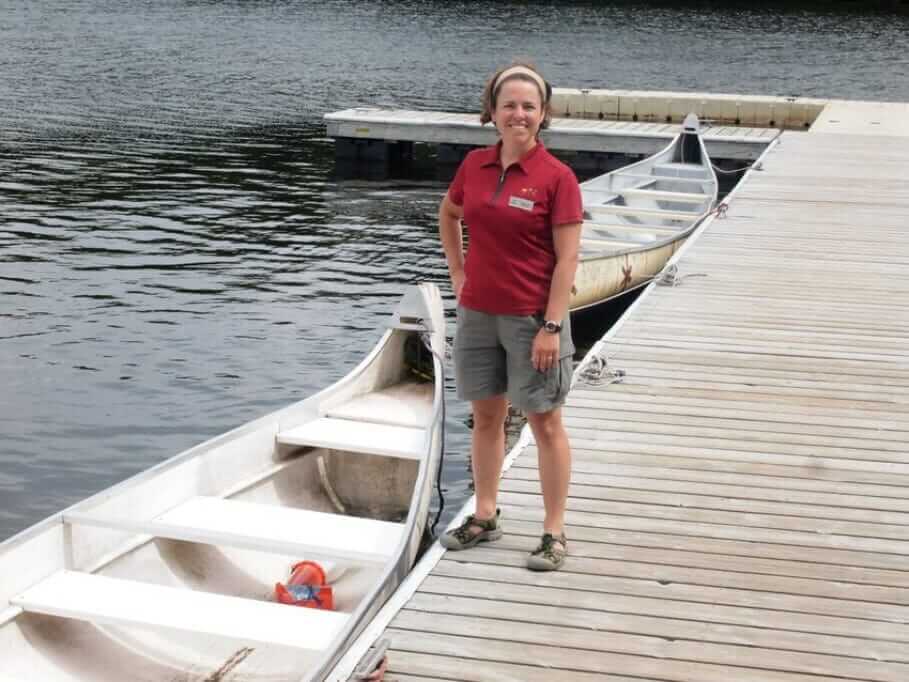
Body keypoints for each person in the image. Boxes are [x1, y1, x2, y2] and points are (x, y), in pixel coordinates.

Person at [438, 62, 583, 571]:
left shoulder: (558, 178)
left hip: (531, 319)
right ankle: (485, 513)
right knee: (486, 417)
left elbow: (568, 259)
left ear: (543, 115)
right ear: (493, 112)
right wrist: (457, 274)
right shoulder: (474, 165)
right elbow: (450, 213)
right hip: (479, 314)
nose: (518, 114)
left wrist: (551, 325)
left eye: (529, 106)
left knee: (544, 422)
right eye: (509, 105)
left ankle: (553, 530)